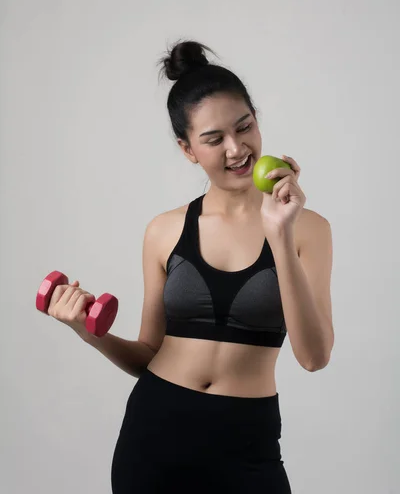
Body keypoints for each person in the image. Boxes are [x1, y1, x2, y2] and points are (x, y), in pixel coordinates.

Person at [48, 40, 334, 493]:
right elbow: (147, 354)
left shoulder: (307, 228)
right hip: (155, 435)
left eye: (245, 127)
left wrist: (279, 233)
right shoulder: (164, 231)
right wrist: (88, 331)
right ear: (187, 149)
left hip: (247, 443)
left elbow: (314, 357)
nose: (237, 149)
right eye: (214, 139)